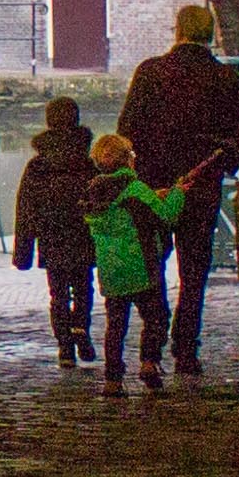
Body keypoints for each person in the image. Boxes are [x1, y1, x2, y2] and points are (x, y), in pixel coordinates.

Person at [115, 0, 239, 349]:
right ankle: (186, 341)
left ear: (177, 31)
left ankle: (157, 323)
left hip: (156, 186)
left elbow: (126, 128)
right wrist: (219, 161)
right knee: (194, 268)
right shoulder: (225, 77)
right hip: (201, 185)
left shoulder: (150, 72)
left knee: (154, 258)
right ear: (210, 35)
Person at [89, 136, 188, 395]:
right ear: (128, 160)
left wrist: (152, 196)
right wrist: (177, 193)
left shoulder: (94, 192)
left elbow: (122, 212)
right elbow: (165, 216)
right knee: (156, 319)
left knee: (116, 326)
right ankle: (148, 362)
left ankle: (113, 379)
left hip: (111, 271)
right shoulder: (135, 189)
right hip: (142, 268)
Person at [9, 96, 101, 367]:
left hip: (52, 236)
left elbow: (25, 209)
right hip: (83, 234)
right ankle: (80, 329)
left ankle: (64, 347)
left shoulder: (37, 166)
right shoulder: (88, 162)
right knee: (84, 287)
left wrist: (22, 253)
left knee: (58, 293)